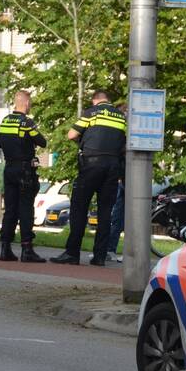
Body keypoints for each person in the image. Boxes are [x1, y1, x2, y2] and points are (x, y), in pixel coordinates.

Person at [52, 90, 127, 266]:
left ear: (96, 100)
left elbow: (71, 134)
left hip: (91, 165)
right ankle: (99, 256)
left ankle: (72, 253)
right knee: (105, 212)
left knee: (79, 207)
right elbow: (123, 145)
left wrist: (83, 142)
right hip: (112, 167)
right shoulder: (121, 117)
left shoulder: (91, 112)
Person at [0, 90, 47, 262]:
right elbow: (42, 141)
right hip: (24, 170)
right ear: (26, 103)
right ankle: (27, 249)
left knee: (10, 209)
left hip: (9, 168)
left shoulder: (4, 121)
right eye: (30, 102)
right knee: (26, 209)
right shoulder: (26, 122)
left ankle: (5, 248)